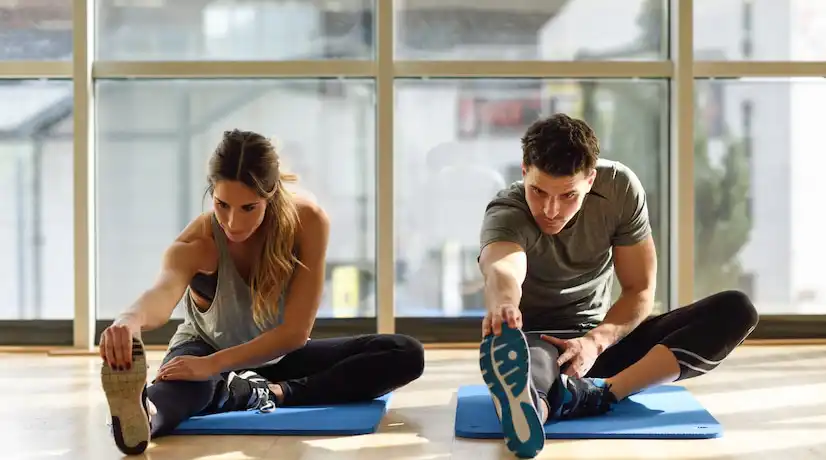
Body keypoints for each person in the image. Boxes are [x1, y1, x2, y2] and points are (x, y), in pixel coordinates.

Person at [99, 129, 425, 456]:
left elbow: (295, 334)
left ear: (270, 195)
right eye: (222, 204)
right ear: (211, 193)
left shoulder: (307, 222)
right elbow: (162, 292)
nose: (233, 222)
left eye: (248, 208)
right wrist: (129, 320)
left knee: (404, 352)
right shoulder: (198, 242)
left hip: (276, 353)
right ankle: (146, 416)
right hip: (204, 348)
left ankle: (267, 392)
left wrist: (215, 365)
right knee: (186, 387)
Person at [476, 114, 758, 458]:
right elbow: (504, 268)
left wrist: (594, 343)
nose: (550, 209)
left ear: (590, 179)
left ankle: (600, 393)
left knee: (736, 310)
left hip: (604, 342)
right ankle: (532, 409)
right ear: (524, 172)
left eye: (568, 195)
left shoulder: (619, 189)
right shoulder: (507, 210)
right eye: (538, 191)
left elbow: (640, 289)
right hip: (538, 344)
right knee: (527, 371)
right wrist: (505, 305)